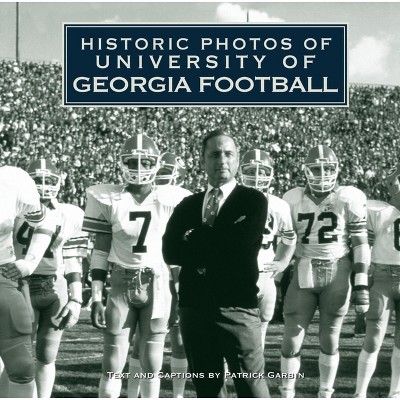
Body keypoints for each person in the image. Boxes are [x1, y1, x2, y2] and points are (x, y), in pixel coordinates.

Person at [162, 130, 270, 398]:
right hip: (194, 306)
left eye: (228, 154)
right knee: (207, 387)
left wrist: (194, 238)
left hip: (237, 305)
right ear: (202, 160)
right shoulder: (187, 204)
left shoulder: (253, 200)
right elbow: (170, 250)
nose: (222, 159)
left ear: (237, 160)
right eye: (214, 154)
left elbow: (238, 247)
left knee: (251, 386)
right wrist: (216, 238)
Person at [83, 133, 189, 398]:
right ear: (122, 164)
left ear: (156, 165)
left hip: (158, 282)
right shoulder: (108, 198)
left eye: (145, 163)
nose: (139, 169)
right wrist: (96, 297)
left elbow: (178, 255)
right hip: (120, 282)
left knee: (152, 362)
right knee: (112, 363)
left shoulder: (172, 198)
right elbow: (100, 251)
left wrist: (180, 292)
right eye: (132, 162)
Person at [280, 145, 370, 398]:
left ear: (337, 169)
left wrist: (361, 284)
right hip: (303, 267)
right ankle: (287, 391)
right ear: (305, 171)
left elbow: (360, 242)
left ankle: (325, 392)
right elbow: (286, 239)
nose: (322, 174)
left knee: (330, 339)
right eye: (316, 169)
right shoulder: (292, 198)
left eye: (327, 168)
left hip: (338, 269)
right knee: (290, 340)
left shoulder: (347, 196)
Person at [12, 158, 88, 398]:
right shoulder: (11, 210)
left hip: (55, 287)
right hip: (18, 285)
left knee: (47, 355)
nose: (44, 186)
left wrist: (76, 299)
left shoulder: (70, 214)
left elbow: (73, 257)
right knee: (15, 356)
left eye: (49, 180)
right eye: (38, 180)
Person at [129, 152, 191, 398]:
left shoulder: (178, 200)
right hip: (157, 272)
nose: (163, 179)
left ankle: (172, 395)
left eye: (167, 173)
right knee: (144, 341)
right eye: (161, 173)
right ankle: (136, 393)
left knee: (175, 338)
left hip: (170, 272)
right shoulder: (154, 199)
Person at [0, 166, 55, 398]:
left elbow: (45, 220)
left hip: (2, 277)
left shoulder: (11, 179)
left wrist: (29, 262)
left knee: (22, 365)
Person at [239, 149, 296, 348]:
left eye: (261, 171)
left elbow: (289, 237)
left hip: (266, 272)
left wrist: (282, 262)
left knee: (262, 325)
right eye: (251, 170)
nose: (256, 176)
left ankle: (254, 373)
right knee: (233, 326)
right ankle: (225, 372)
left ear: (270, 173)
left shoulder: (279, 205)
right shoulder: (230, 199)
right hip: (238, 272)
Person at [355, 163, 400, 397]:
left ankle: (395, 392)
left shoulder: (380, 210)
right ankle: (360, 393)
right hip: (382, 277)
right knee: (373, 339)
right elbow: (365, 245)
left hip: (384, 277)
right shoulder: (380, 211)